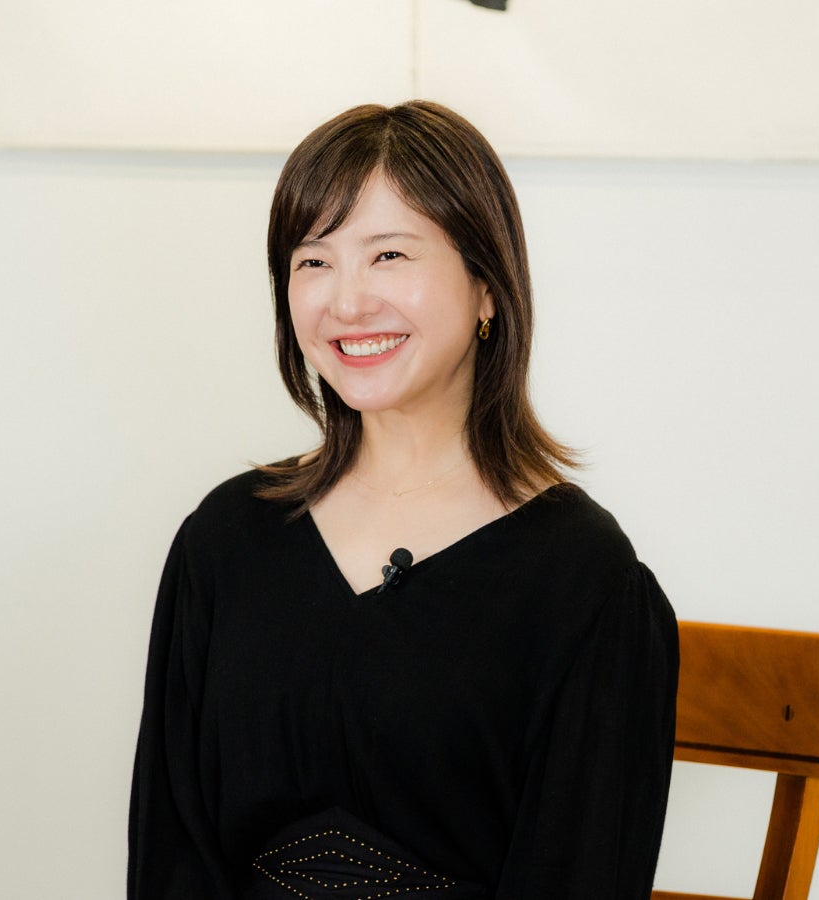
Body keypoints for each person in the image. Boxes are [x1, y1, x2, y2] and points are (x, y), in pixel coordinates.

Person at [128, 101, 678, 900]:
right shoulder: (226, 540)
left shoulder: (584, 579)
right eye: (313, 261)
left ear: (486, 285)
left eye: (388, 255)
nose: (347, 302)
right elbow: (169, 856)